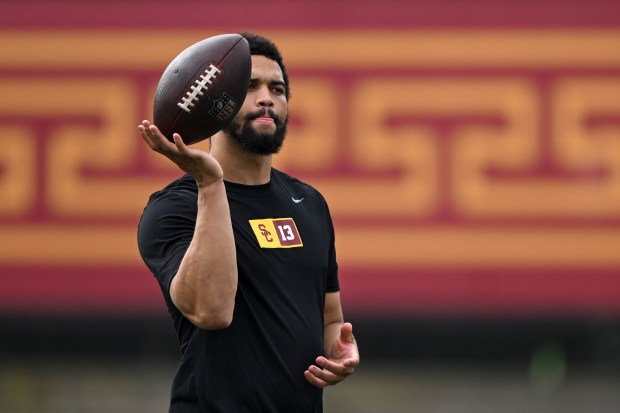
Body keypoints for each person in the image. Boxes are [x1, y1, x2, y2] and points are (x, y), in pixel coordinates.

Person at [137, 32, 360, 412]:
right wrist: (210, 182)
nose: (266, 98)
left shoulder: (309, 204)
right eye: (249, 85)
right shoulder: (174, 208)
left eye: (277, 88)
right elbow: (212, 311)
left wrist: (338, 348)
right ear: (213, 104)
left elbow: (330, 318)